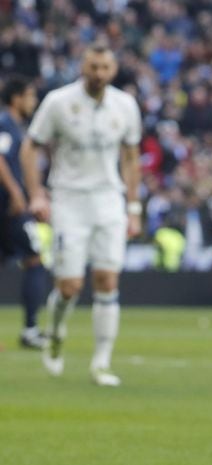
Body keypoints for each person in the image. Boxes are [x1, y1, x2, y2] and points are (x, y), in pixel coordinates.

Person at [20, 44, 142, 387]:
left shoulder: (125, 105)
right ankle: (55, 333)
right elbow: (30, 146)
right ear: (82, 67)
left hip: (108, 199)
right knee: (70, 285)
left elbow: (131, 157)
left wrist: (133, 208)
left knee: (107, 280)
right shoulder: (59, 102)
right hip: (69, 199)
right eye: (93, 67)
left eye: (104, 67)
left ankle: (101, 363)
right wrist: (36, 194)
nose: (99, 74)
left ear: (113, 70)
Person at [0, 76, 47, 350]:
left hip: (10, 204)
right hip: (8, 206)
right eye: (30, 95)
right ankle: (30, 330)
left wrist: (36, 192)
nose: (34, 101)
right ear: (17, 98)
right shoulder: (6, 124)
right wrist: (18, 194)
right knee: (34, 259)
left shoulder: (17, 127)